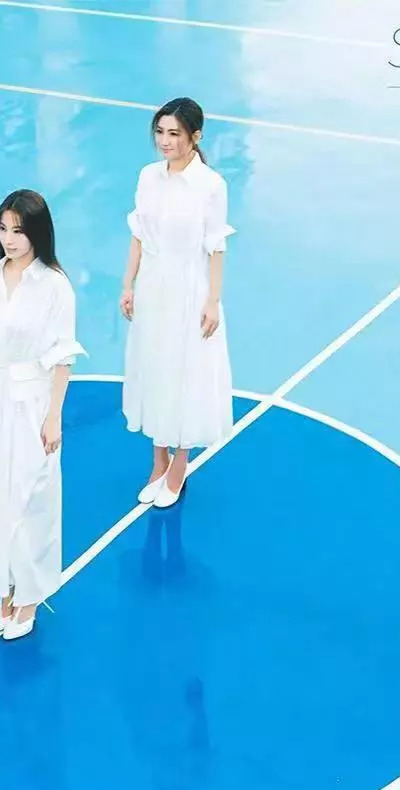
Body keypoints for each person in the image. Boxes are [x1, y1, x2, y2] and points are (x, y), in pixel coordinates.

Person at [0, 190, 85, 640]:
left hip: (30, 400)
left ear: (37, 233)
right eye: (3, 229)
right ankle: (5, 588)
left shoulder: (55, 286)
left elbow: (62, 355)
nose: (8, 239)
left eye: (18, 231)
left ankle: (29, 595)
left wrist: (54, 416)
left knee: (31, 498)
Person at [120, 97, 235, 508]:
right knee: (155, 369)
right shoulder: (148, 177)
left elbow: (215, 246)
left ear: (195, 137)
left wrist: (212, 301)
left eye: (174, 134)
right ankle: (158, 461)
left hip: (189, 289)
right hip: (153, 286)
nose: (165, 141)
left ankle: (179, 464)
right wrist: (128, 284)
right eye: (160, 132)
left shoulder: (211, 185)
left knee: (184, 372)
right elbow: (138, 235)